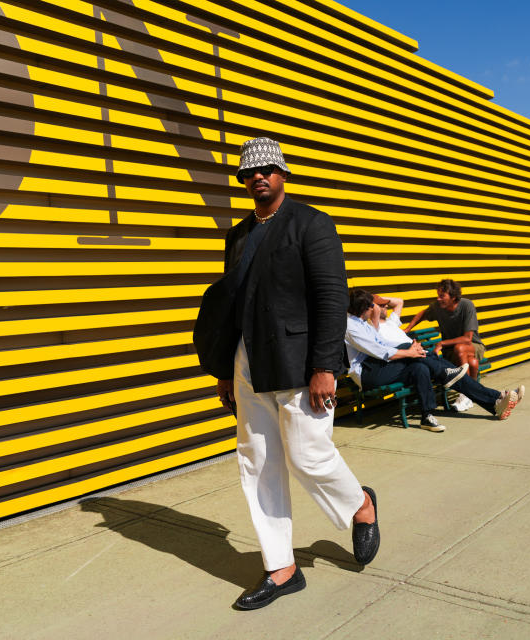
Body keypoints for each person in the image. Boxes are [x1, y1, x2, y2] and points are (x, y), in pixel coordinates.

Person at [192, 137, 378, 610]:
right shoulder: (237, 235)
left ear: (282, 174)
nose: (259, 177)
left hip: (300, 365)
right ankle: (282, 566)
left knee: (309, 456)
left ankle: (359, 504)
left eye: (268, 169)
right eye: (250, 173)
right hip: (247, 362)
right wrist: (222, 371)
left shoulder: (311, 224)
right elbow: (232, 306)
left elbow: (332, 300)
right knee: (257, 463)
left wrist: (324, 367)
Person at [345, 290, 523, 431]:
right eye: (373, 307)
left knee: (420, 367)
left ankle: (429, 415)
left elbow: (382, 344)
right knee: (424, 360)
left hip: (379, 366)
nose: (377, 309)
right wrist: (409, 351)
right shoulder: (352, 327)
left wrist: (411, 350)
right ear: (365, 308)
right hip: (368, 374)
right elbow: (381, 350)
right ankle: (492, 395)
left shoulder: (360, 323)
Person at [405, 279, 485, 411]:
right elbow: (423, 314)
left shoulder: (467, 305)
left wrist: (441, 343)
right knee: (473, 363)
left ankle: (464, 394)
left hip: (473, 345)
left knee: (460, 348)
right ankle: (471, 396)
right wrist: (407, 329)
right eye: (438, 295)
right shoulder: (438, 307)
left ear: (453, 297)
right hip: (450, 351)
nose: (438, 298)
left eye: (442, 296)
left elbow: (467, 338)